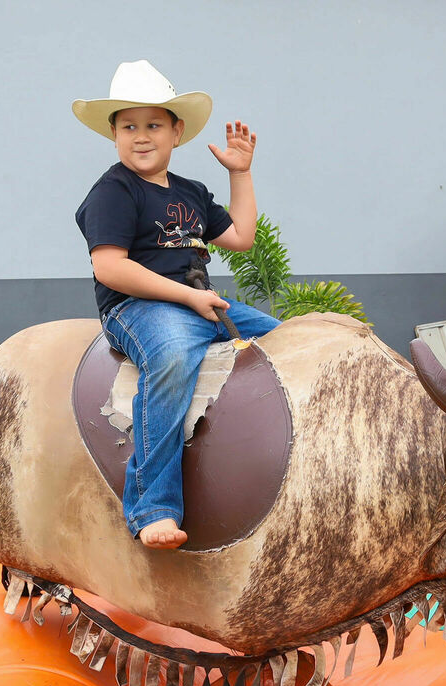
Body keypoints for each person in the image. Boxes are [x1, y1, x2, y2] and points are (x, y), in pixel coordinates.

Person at [73, 60, 280, 549]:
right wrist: (189, 297)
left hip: (199, 302)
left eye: (153, 125)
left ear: (176, 131)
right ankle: (153, 507)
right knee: (169, 358)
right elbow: (110, 268)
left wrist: (241, 173)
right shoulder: (113, 191)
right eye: (129, 126)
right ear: (114, 133)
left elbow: (242, 237)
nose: (141, 137)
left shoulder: (190, 193)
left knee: (290, 337)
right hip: (138, 306)